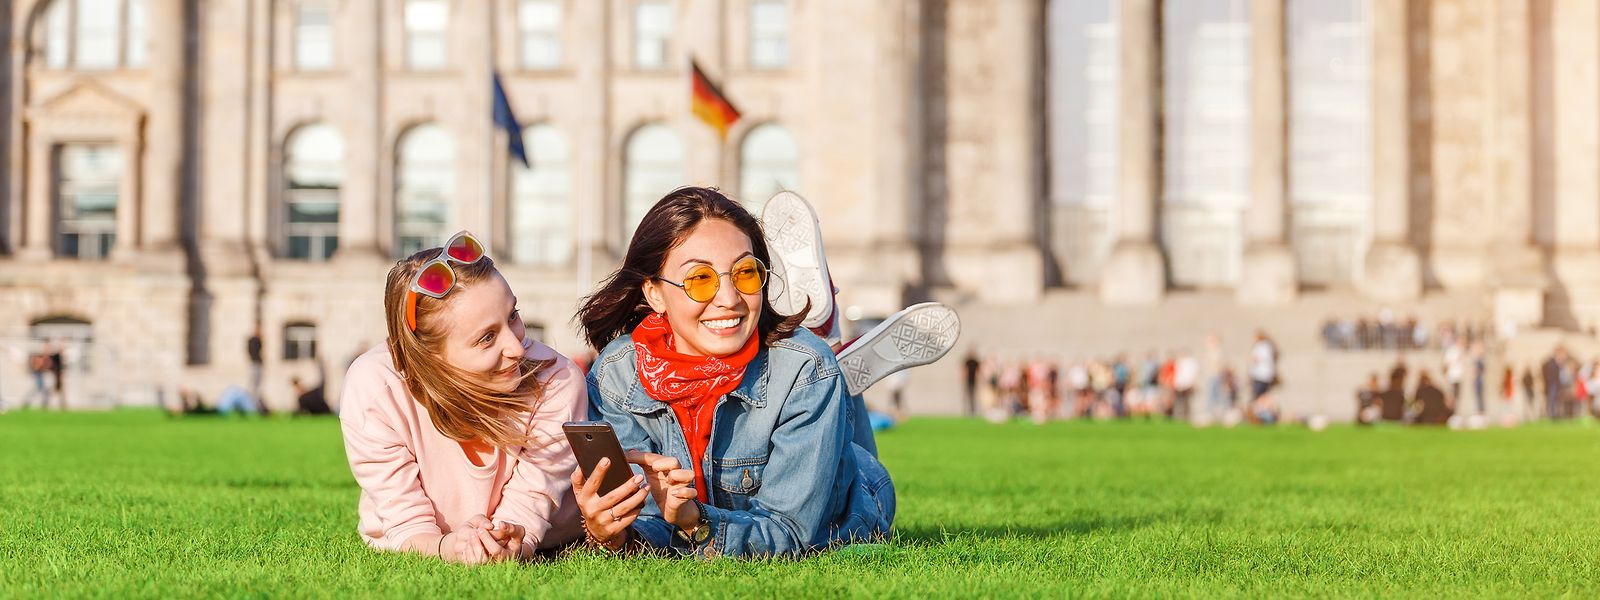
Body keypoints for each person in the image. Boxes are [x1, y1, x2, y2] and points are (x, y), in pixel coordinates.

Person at [575, 187, 939, 557]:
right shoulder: (617, 375)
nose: (730, 299)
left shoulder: (800, 369)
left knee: (815, 368)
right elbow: (647, 526)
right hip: (806, 380)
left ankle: (823, 342)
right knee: (820, 367)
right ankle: (824, 340)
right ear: (654, 293)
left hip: (851, 500)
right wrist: (613, 533)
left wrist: (693, 521)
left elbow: (790, 533)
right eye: (700, 279)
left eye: (745, 273)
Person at [339, 231, 586, 563]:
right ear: (429, 356)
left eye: (512, 316)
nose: (516, 348)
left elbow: (529, 507)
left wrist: (510, 542)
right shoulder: (374, 388)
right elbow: (407, 524)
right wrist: (448, 547)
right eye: (487, 338)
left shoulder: (557, 379)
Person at [248, 325, 264, 406]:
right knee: (254, 384)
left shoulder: (258, 340)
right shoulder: (254, 340)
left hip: (257, 363)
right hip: (255, 363)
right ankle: (253, 402)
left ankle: (256, 401)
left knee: (257, 385)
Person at [961, 350, 980, 418]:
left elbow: (978, 371)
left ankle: (973, 411)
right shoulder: (967, 361)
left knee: (973, 397)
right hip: (968, 381)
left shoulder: (976, 362)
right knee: (967, 396)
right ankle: (966, 411)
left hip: (974, 381)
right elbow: (964, 370)